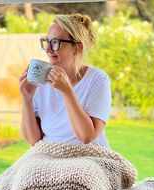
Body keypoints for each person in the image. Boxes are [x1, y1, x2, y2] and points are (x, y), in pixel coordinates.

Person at [19, 13, 112, 148]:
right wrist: (26, 98)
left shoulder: (97, 79)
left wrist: (67, 92)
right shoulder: (40, 79)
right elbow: (34, 140)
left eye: (56, 42)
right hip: (49, 153)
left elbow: (86, 137)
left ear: (77, 47)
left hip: (88, 155)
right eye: (47, 41)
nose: (48, 49)